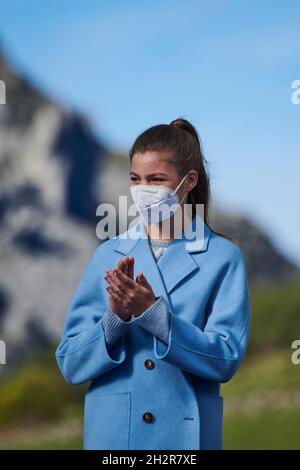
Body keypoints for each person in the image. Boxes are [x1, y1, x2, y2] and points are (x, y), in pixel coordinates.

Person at [55, 118, 251, 450]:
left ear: (188, 182)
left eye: (156, 179)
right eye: (136, 179)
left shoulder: (223, 258)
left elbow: (226, 359)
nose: (143, 190)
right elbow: (71, 364)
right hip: (114, 438)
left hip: (184, 440)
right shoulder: (107, 254)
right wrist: (114, 320)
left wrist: (156, 317)